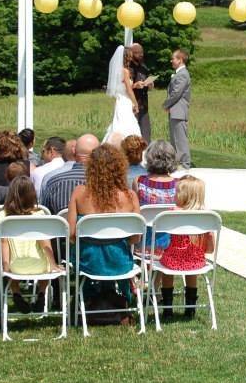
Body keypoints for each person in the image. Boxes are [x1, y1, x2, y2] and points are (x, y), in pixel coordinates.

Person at [66, 144, 142, 314]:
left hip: (88, 262)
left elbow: (71, 235)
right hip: (120, 262)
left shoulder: (79, 193)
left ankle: (94, 298)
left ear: (91, 168)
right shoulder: (130, 196)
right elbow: (136, 238)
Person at [0, 176, 62, 313]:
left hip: (16, 267)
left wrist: (6, 267)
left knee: (10, 261)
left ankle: (16, 292)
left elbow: (4, 245)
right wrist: (53, 264)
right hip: (39, 265)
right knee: (46, 261)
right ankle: (42, 292)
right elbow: (45, 243)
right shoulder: (39, 215)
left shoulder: (3, 217)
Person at [159, 175, 214, 319]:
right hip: (196, 263)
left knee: (166, 272)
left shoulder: (171, 213)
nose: (173, 195)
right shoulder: (206, 217)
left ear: (184, 196)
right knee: (192, 270)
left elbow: (164, 242)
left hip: (171, 262)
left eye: (176, 192)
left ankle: (167, 308)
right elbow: (210, 249)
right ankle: (190, 309)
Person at [135, 139, 178, 257]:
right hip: (169, 244)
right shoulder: (179, 185)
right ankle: (157, 275)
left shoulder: (139, 181)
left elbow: (135, 209)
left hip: (143, 243)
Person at [41, 134, 99, 214]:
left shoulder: (53, 182)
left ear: (74, 151)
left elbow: (45, 215)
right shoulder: (107, 183)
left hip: (61, 226)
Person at [102, 45, 141, 144]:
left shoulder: (119, 71)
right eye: (130, 56)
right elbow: (128, 90)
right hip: (125, 101)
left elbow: (123, 87)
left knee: (118, 123)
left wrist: (135, 85)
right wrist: (135, 103)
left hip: (120, 100)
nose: (131, 58)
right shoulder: (125, 71)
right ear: (126, 57)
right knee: (128, 123)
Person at [164, 48, 192, 169]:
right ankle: (177, 162)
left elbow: (176, 93)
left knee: (180, 139)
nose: (171, 61)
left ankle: (185, 164)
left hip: (178, 111)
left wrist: (166, 105)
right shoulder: (180, 74)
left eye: (173, 58)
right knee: (174, 138)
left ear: (180, 60)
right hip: (175, 111)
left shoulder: (183, 74)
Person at [130, 42, 154, 142]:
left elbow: (149, 83)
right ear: (132, 54)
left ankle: (146, 152)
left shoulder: (144, 66)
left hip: (144, 103)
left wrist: (150, 84)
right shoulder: (129, 68)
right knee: (134, 130)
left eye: (142, 52)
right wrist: (136, 85)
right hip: (133, 103)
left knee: (146, 130)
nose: (141, 55)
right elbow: (124, 86)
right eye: (138, 53)